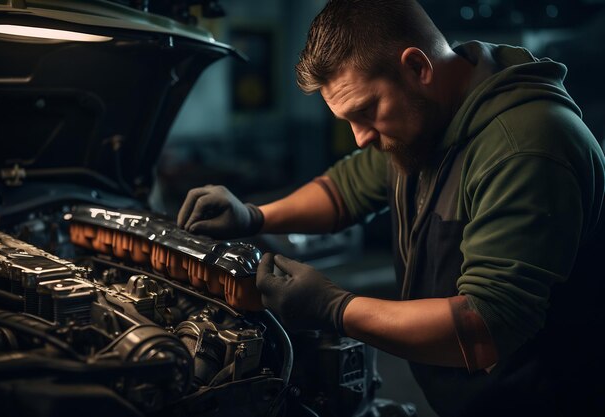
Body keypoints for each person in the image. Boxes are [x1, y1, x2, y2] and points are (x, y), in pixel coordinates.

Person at [176, 1, 605, 416]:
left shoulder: (525, 146)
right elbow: (345, 189)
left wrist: (333, 307)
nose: (360, 137)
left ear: (418, 67)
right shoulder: (427, 119)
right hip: (477, 398)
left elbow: (486, 326)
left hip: (545, 401)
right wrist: (253, 215)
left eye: (365, 112)